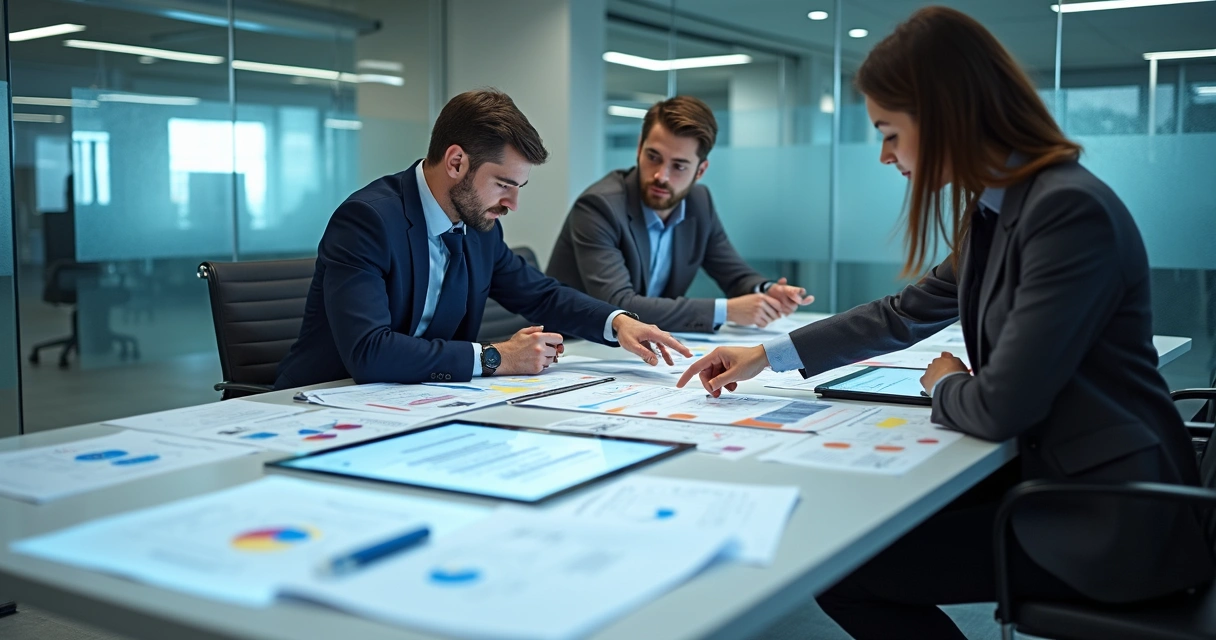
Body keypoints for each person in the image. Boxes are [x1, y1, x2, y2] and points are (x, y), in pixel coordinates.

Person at [676, 7, 1213, 639]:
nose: (883, 155)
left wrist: (944, 384)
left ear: (942, 115)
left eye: (889, 132)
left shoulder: (1065, 212)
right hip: (1055, 477)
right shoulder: (999, 210)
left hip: (1110, 516)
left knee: (848, 571)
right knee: (860, 528)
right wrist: (768, 356)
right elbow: (903, 313)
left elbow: (1000, 407)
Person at [276, 89, 690, 389]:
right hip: (324, 403)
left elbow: (541, 295)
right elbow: (369, 353)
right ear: (457, 162)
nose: (513, 204)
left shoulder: (479, 228)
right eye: (504, 184)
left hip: (418, 404)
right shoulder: (367, 221)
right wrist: (495, 357)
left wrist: (617, 324)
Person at [545, 95, 813, 333]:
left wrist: (767, 291)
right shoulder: (599, 207)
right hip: (576, 346)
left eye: (679, 166)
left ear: (701, 170)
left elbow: (734, 274)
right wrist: (726, 311)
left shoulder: (699, 202)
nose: (661, 175)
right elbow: (618, 305)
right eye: (653, 157)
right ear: (639, 149)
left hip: (645, 345)